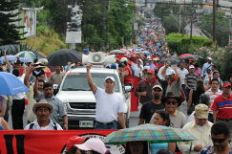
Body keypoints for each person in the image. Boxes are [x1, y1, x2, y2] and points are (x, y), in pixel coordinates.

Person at [86, 64, 126, 129]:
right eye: (107, 82)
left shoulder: (119, 97)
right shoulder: (99, 92)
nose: (109, 84)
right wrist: (88, 71)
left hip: (112, 125)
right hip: (99, 125)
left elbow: (120, 115)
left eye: (111, 82)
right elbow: (91, 84)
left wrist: (124, 128)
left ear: (114, 84)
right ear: (104, 84)